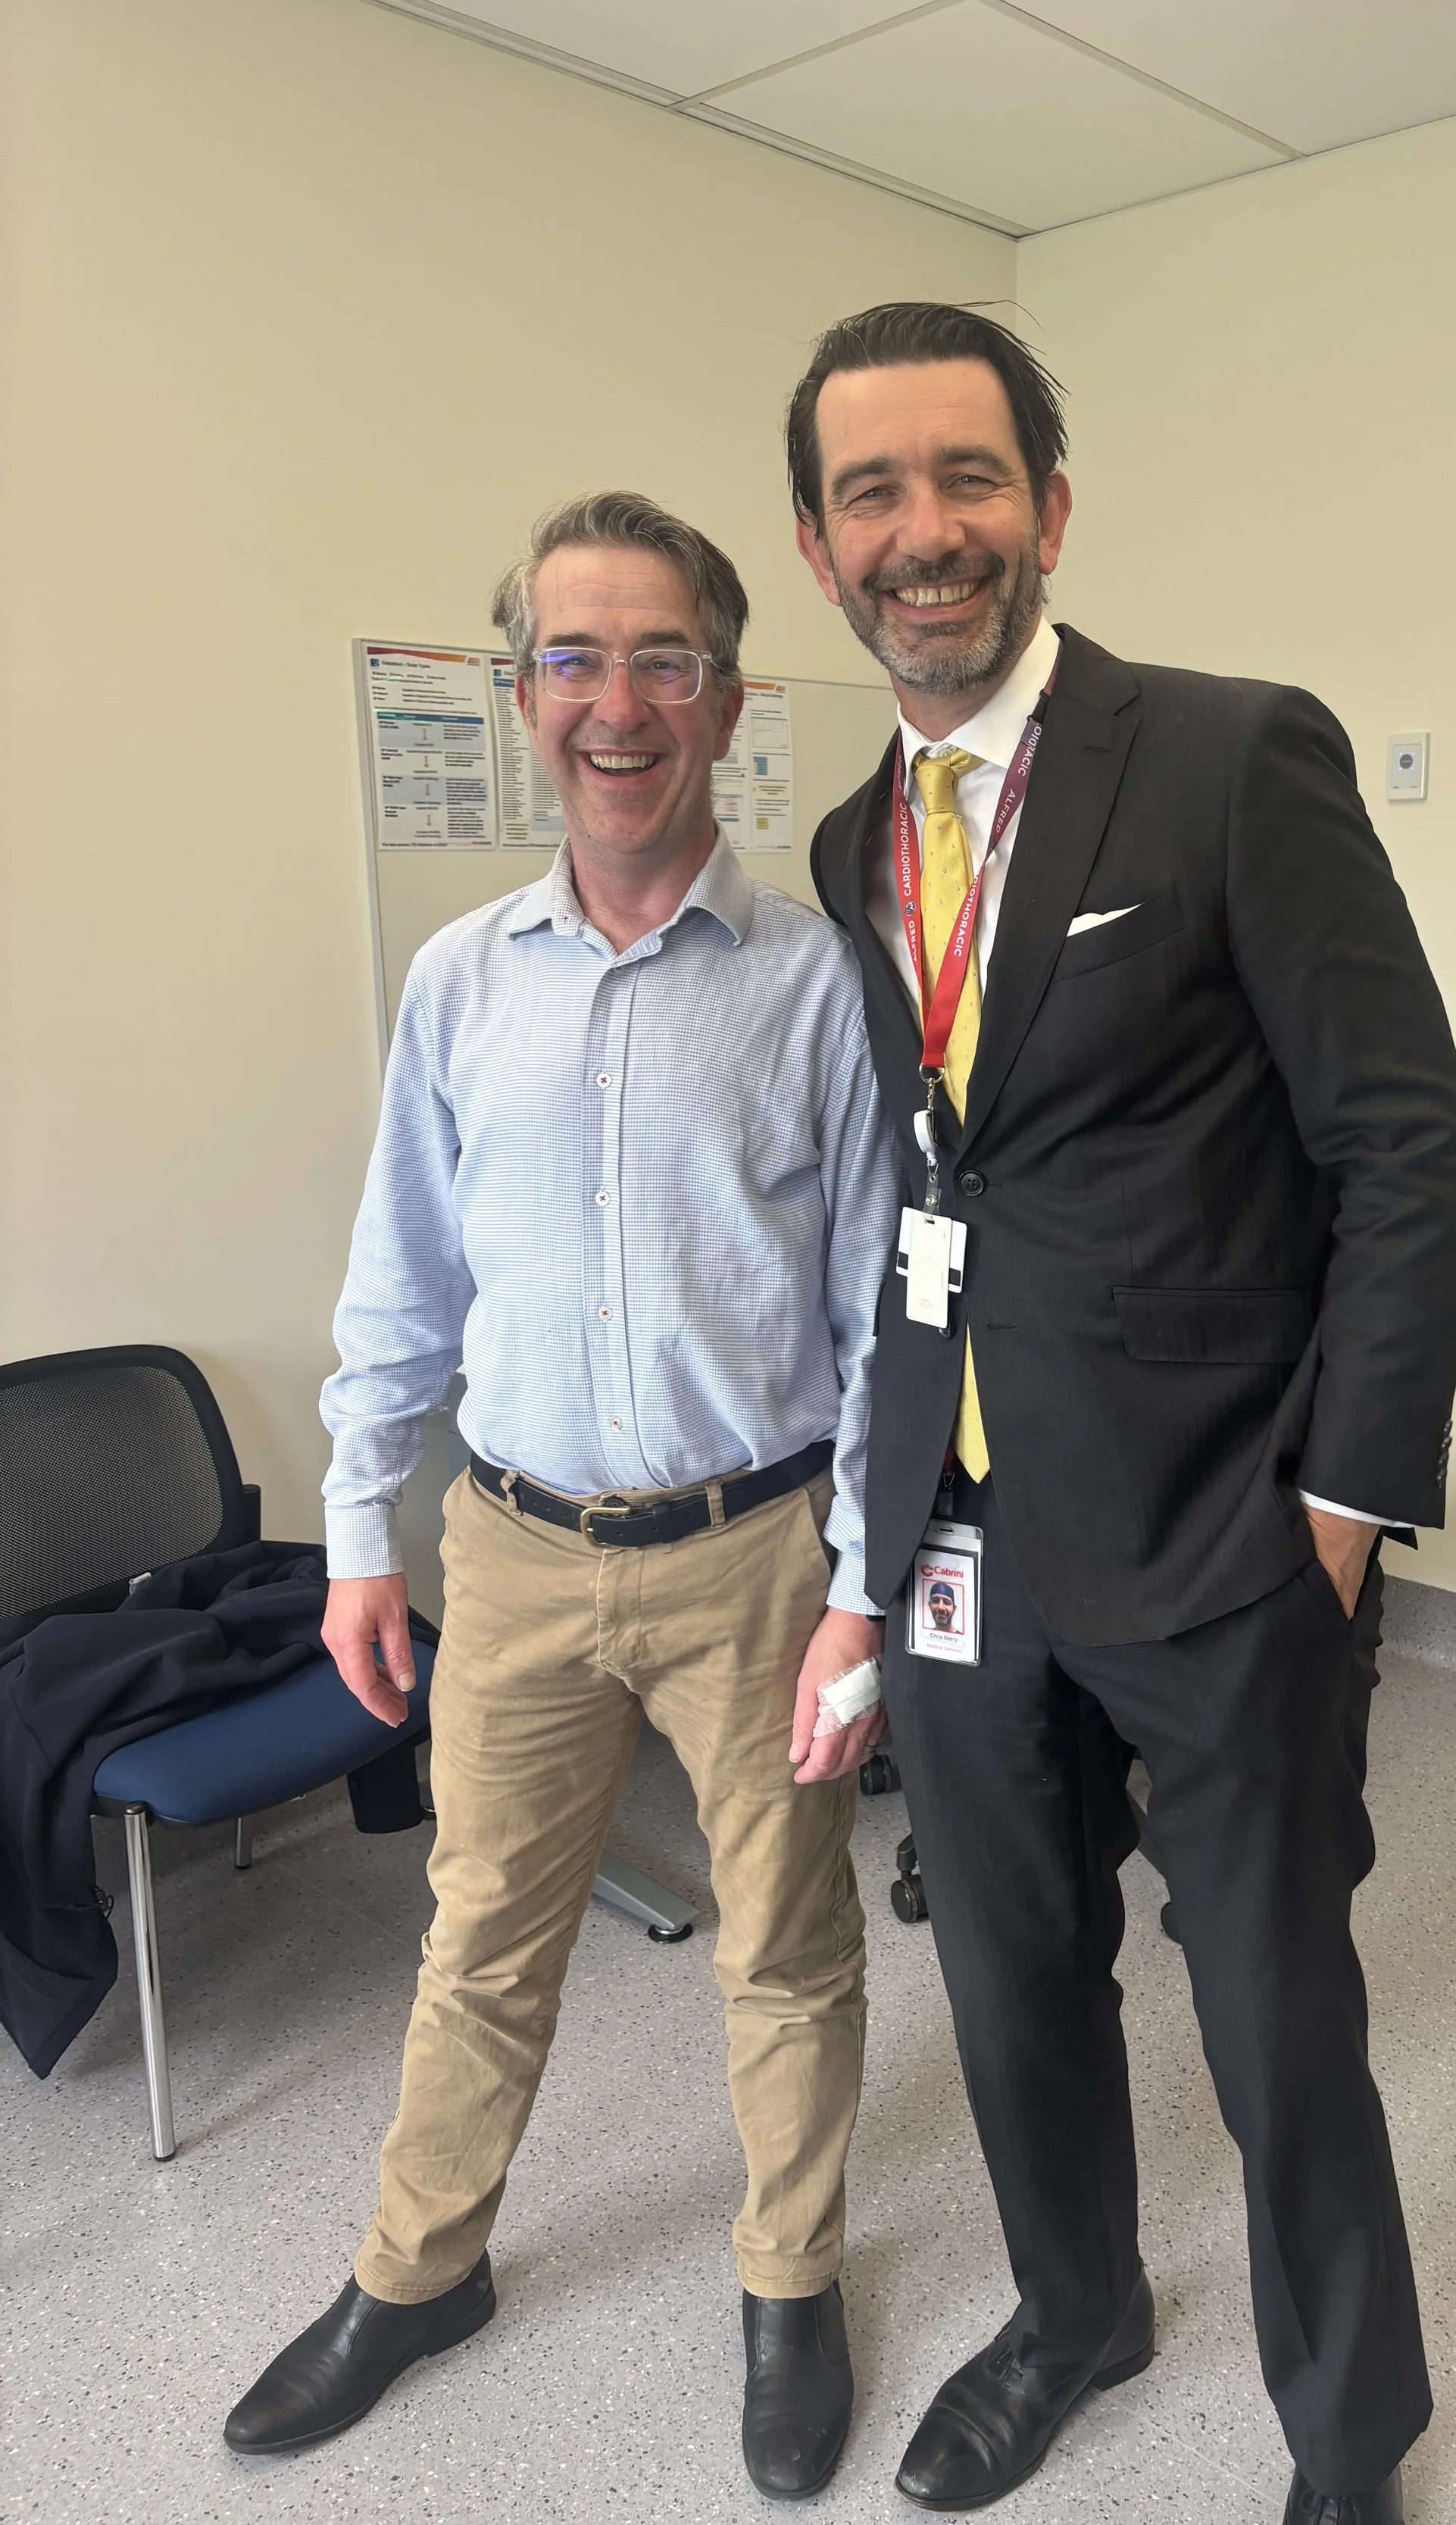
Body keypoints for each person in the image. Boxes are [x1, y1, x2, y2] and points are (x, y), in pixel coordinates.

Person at [789, 305, 1456, 2525]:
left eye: (967, 479)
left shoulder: (1222, 756)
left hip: (1217, 1533)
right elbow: (938, 1185)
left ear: (1050, 508)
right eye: (873, 493)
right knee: (1004, 1977)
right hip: (966, 1537)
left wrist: (1339, 1516)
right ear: (820, 548)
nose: (927, 533)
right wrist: (867, 1553)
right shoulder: (846, 843)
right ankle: (1073, 2312)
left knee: (1274, 2008)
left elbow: (1407, 1146)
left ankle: (1349, 2429)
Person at [224, 492, 898, 2499]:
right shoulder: (458, 981)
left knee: (783, 1938)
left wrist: (864, 1585)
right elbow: (399, 1280)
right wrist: (359, 1532)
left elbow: (883, 1312)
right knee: (480, 1936)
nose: (618, 703)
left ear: (729, 692)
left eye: (662, 657)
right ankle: (420, 2269)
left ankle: (789, 2279)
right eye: (575, 659)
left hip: (763, 1554)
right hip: (511, 1554)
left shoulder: (814, 984)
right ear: (519, 694)